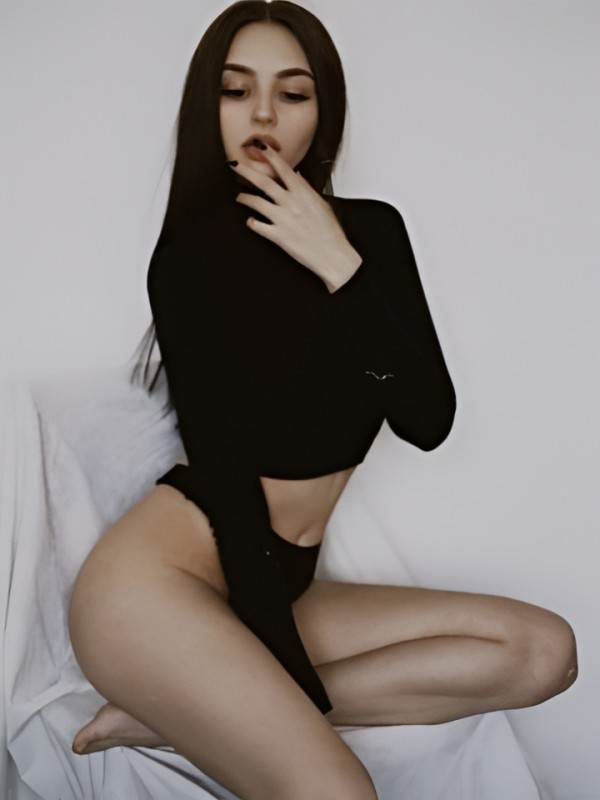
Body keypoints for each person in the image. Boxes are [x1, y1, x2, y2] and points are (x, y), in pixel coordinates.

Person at [68, 2, 577, 798]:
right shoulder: (191, 262)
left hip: (284, 579)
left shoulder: (372, 235)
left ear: (323, 111)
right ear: (210, 107)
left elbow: (427, 420)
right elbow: (229, 487)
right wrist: (281, 668)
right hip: (160, 584)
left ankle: (174, 714)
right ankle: (192, 700)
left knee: (545, 654)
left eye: (293, 92)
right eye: (237, 90)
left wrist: (341, 266)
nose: (263, 115)